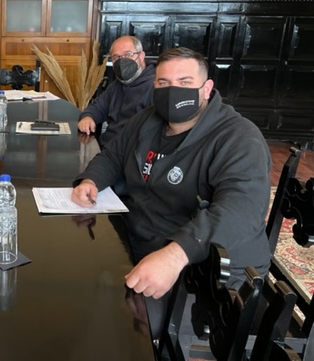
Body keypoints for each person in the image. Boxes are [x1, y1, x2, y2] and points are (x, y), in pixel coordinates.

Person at [71, 47, 271, 336]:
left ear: (207, 88)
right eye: (164, 83)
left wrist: (176, 255)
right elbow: (112, 156)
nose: (173, 91)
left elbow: (241, 210)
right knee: (77, 285)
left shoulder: (239, 137)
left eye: (185, 82)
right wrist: (90, 180)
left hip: (206, 274)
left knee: (116, 326)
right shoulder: (147, 120)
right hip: (141, 240)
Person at [78, 36, 155, 149]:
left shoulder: (154, 87)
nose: (122, 61)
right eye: (116, 57)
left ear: (141, 56)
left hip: (128, 152)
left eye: (128, 54)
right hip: (107, 146)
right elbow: (98, 107)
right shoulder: (117, 85)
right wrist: (87, 117)